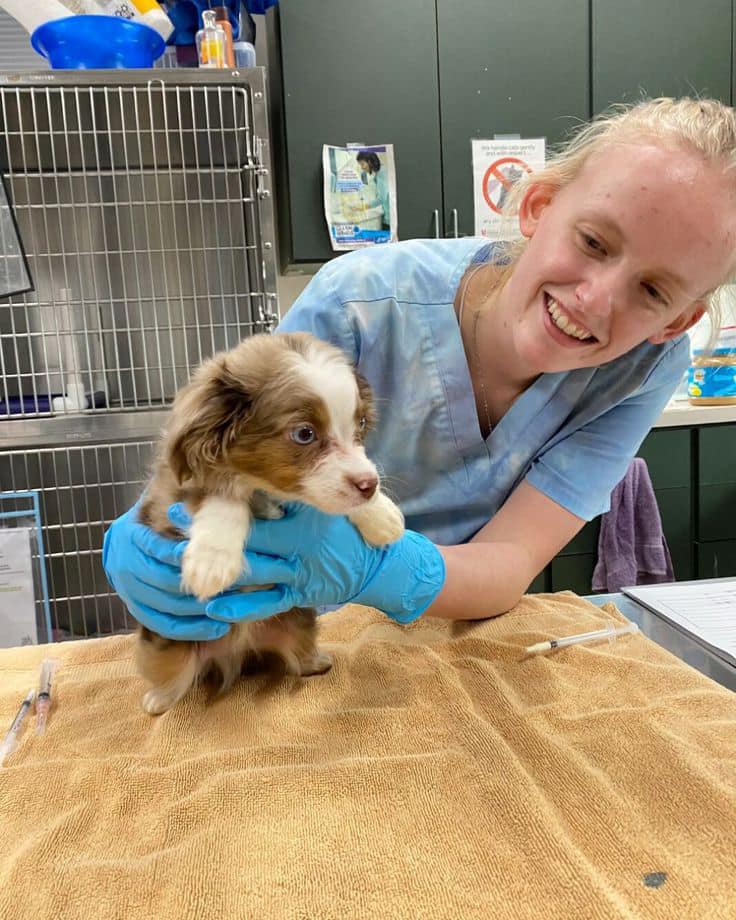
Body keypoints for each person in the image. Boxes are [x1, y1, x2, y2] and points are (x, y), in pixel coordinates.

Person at [103, 97, 736, 641]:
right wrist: (161, 542)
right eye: (593, 241)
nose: (595, 300)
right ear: (538, 206)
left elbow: (509, 560)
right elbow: (224, 463)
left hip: (453, 638)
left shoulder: (643, 367)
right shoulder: (359, 304)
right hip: (290, 630)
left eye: (653, 291)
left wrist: (378, 569)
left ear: (677, 321)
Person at [355, 150, 391, 231]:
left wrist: (364, 207)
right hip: (386, 215)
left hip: (389, 218)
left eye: (362, 164)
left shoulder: (382, 173)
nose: (362, 167)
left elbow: (381, 198)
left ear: (370, 161)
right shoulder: (379, 172)